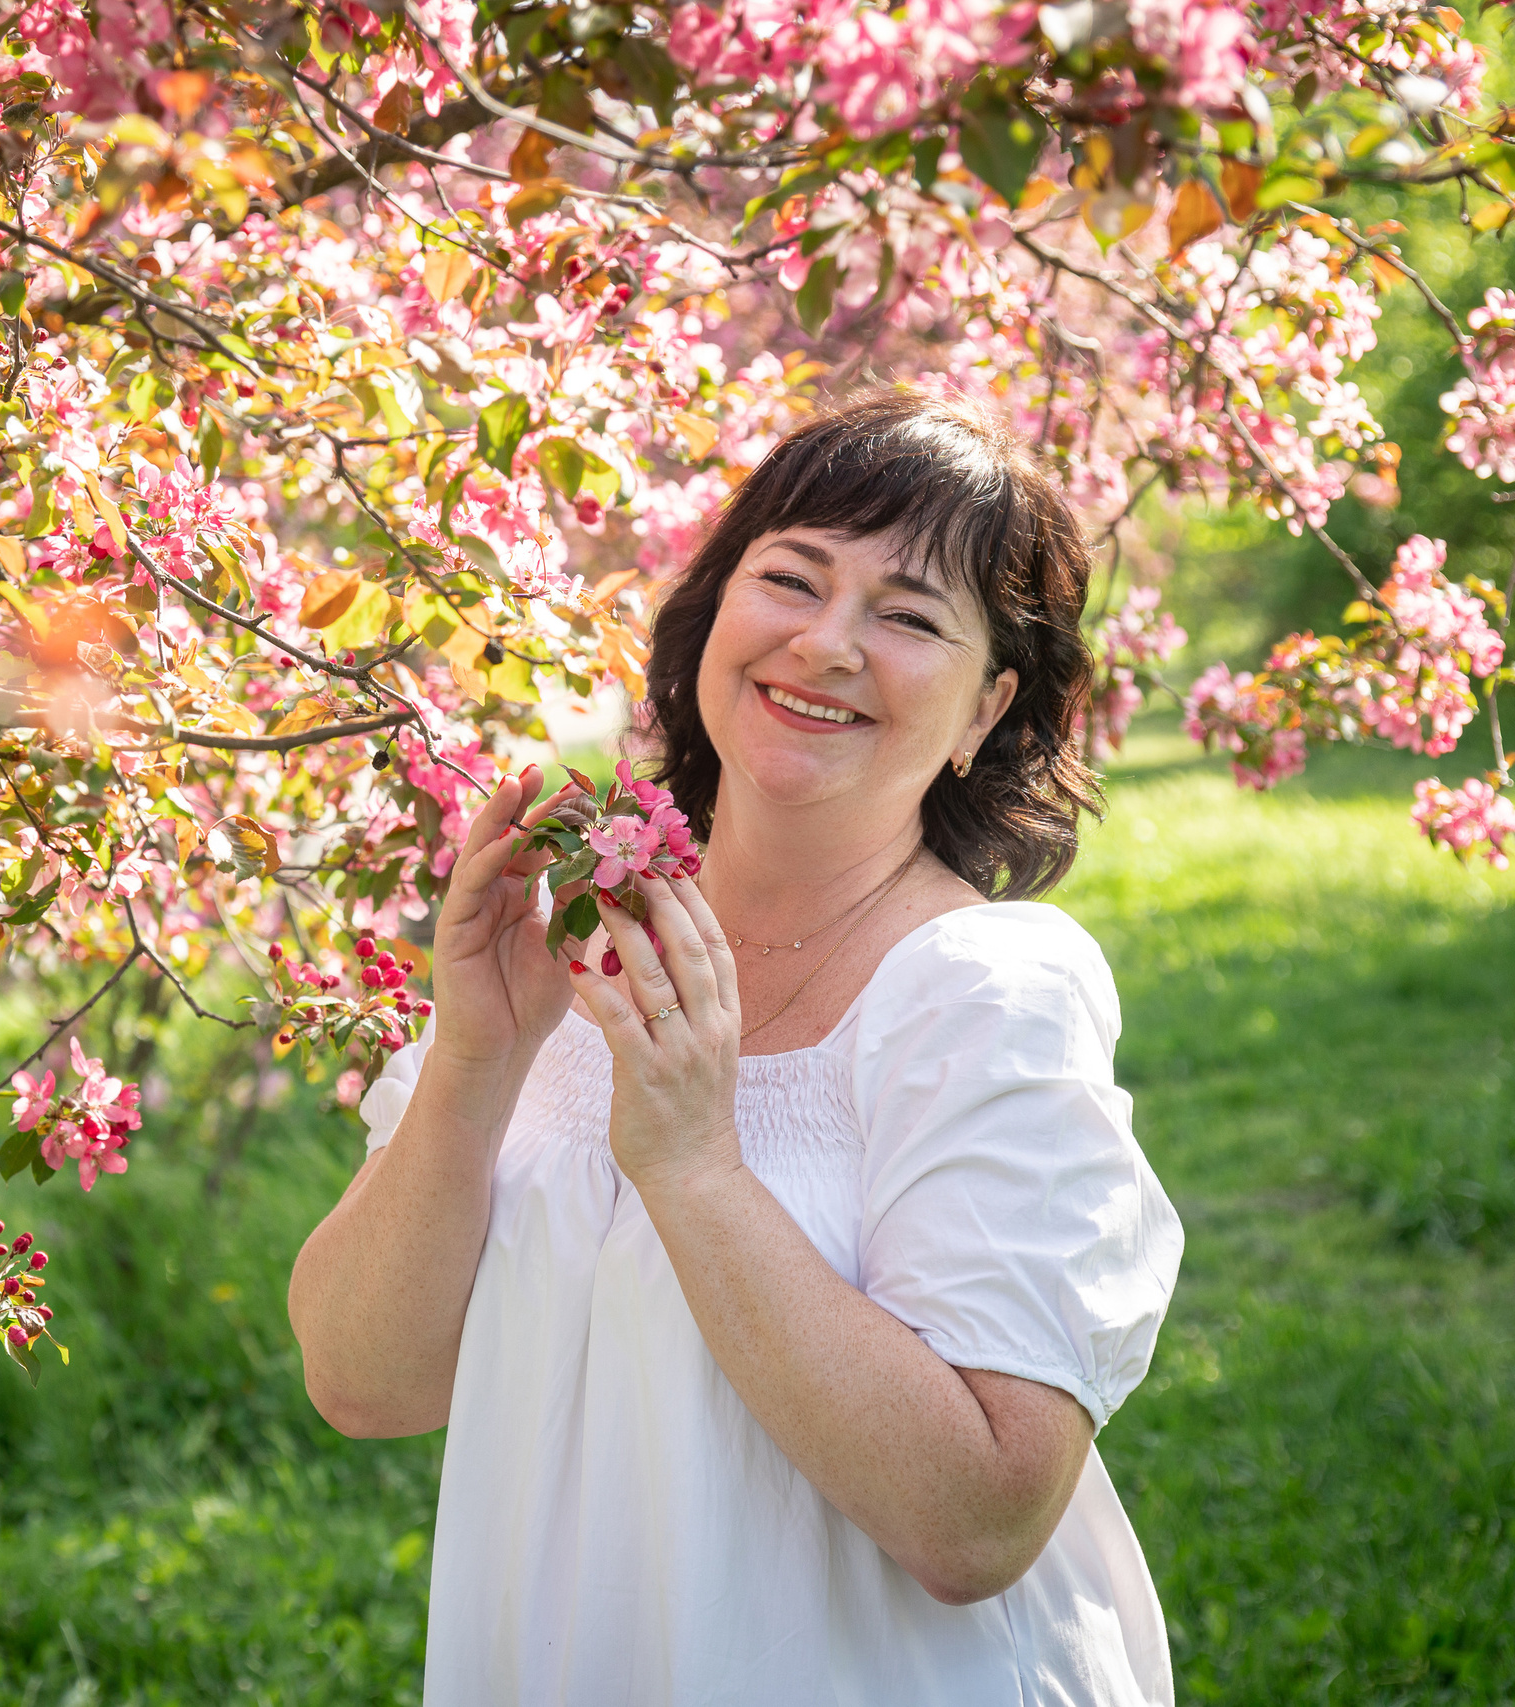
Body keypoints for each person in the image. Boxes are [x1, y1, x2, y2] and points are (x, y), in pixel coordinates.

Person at [288, 386, 1185, 1706]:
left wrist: (695, 1166)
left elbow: (979, 1521)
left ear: (988, 709)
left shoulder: (987, 993)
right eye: (792, 580)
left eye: (909, 616)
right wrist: (478, 1061)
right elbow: (365, 1383)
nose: (827, 644)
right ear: (715, 613)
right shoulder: (584, 938)